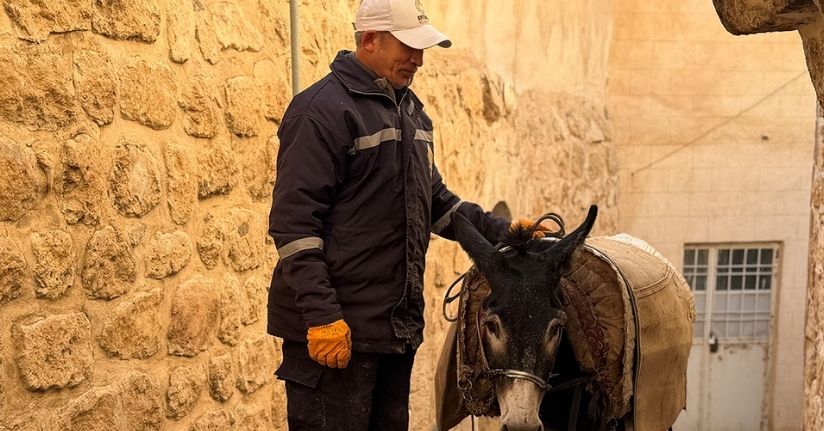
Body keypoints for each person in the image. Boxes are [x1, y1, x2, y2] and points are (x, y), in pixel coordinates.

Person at [267, 0, 541, 428]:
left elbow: (437, 204)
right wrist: (322, 317)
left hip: (394, 334)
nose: (417, 59)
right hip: (337, 338)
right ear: (370, 39)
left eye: (422, 48)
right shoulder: (320, 110)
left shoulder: (412, 113)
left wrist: (504, 232)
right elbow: (294, 227)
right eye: (407, 46)